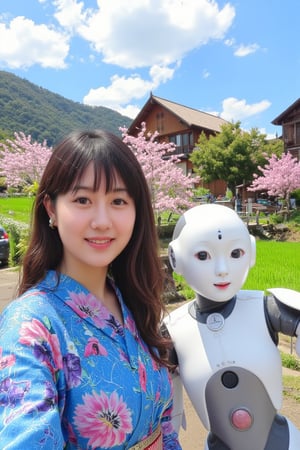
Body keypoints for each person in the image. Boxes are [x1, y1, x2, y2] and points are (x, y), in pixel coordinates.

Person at [0, 130, 182, 449]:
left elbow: (165, 426)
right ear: (51, 209)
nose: (102, 220)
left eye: (118, 201)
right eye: (83, 200)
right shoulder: (30, 328)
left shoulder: (133, 303)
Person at [164, 203, 300, 450]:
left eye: (235, 253)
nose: (222, 270)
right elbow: (162, 397)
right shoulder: (174, 329)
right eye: (203, 255)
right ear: (176, 258)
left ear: (251, 251)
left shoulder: (266, 307)